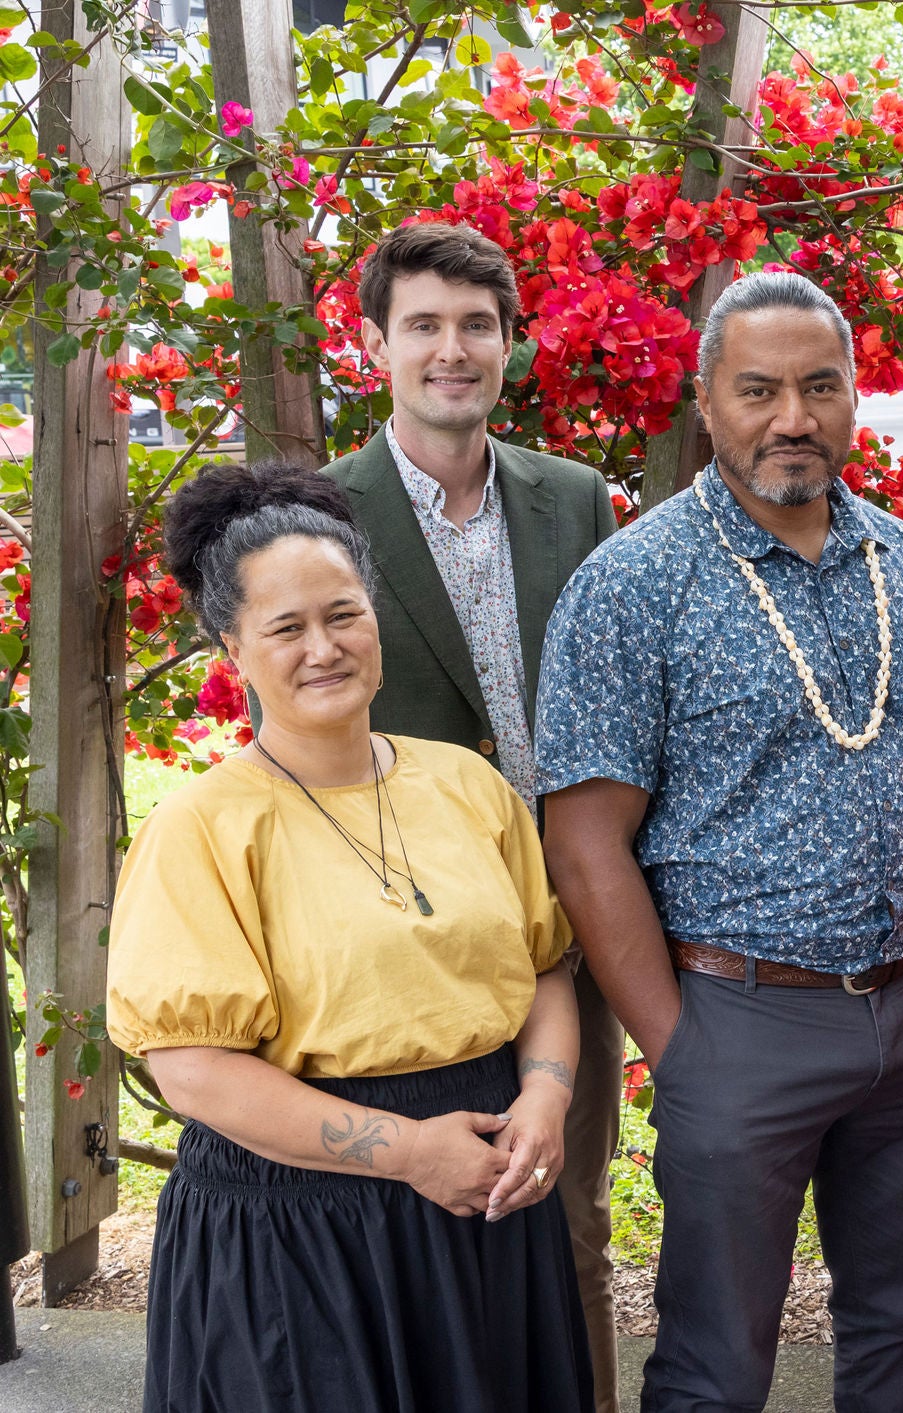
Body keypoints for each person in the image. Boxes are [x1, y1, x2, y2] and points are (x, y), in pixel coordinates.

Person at [535, 270, 903, 1412]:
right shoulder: (630, 584)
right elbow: (585, 842)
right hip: (738, 1016)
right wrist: (675, 1043)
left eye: (817, 388)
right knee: (715, 1355)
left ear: (851, 402)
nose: (790, 418)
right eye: (758, 390)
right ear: (707, 401)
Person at [107, 461, 592, 1413]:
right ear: (230, 648)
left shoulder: (466, 784)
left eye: (343, 613)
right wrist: (409, 1151)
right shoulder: (204, 827)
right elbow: (194, 1070)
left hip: (485, 1190)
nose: (323, 647)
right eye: (285, 627)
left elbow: (543, 970)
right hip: (302, 1221)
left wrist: (544, 1098)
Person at [324, 219, 627, 1413]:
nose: (452, 350)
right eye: (424, 327)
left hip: (573, 903)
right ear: (374, 346)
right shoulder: (323, 508)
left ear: (510, 344)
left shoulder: (571, 499)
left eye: (476, 327)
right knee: (407, 1225)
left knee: (571, 1214)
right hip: (403, 923)